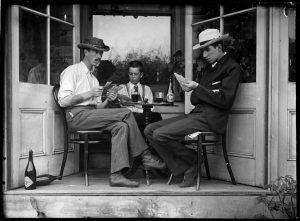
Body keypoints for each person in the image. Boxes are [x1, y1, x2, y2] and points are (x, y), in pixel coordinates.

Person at [58, 37, 166, 188]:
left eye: (101, 53)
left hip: (89, 114)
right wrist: (88, 94)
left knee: (121, 126)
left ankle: (116, 175)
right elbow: (63, 101)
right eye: (96, 52)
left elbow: (97, 109)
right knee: (126, 112)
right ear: (86, 51)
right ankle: (145, 155)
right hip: (76, 116)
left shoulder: (94, 80)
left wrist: (108, 100)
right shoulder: (72, 71)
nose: (99, 56)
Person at [144, 29, 241, 188]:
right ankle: (189, 164)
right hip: (196, 114)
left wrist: (198, 88)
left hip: (211, 118)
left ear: (219, 47)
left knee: (160, 134)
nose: (204, 55)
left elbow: (225, 101)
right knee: (149, 129)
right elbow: (196, 99)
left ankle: (191, 162)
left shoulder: (232, 67)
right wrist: (192, 89)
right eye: (202, 50)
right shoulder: (209, 69)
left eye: (207, 49)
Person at [117, 60, 162, 135]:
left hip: (144, 117)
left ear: (141, 75)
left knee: (156, 115)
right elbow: (123, 108)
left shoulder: (147, 89)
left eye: (135, 74)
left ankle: (158, 140)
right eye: (130, 73)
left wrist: (132, 105)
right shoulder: (122, 88)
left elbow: (152, 108)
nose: (133, 76)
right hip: (129, 117)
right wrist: (142, 106)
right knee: (148, 117)